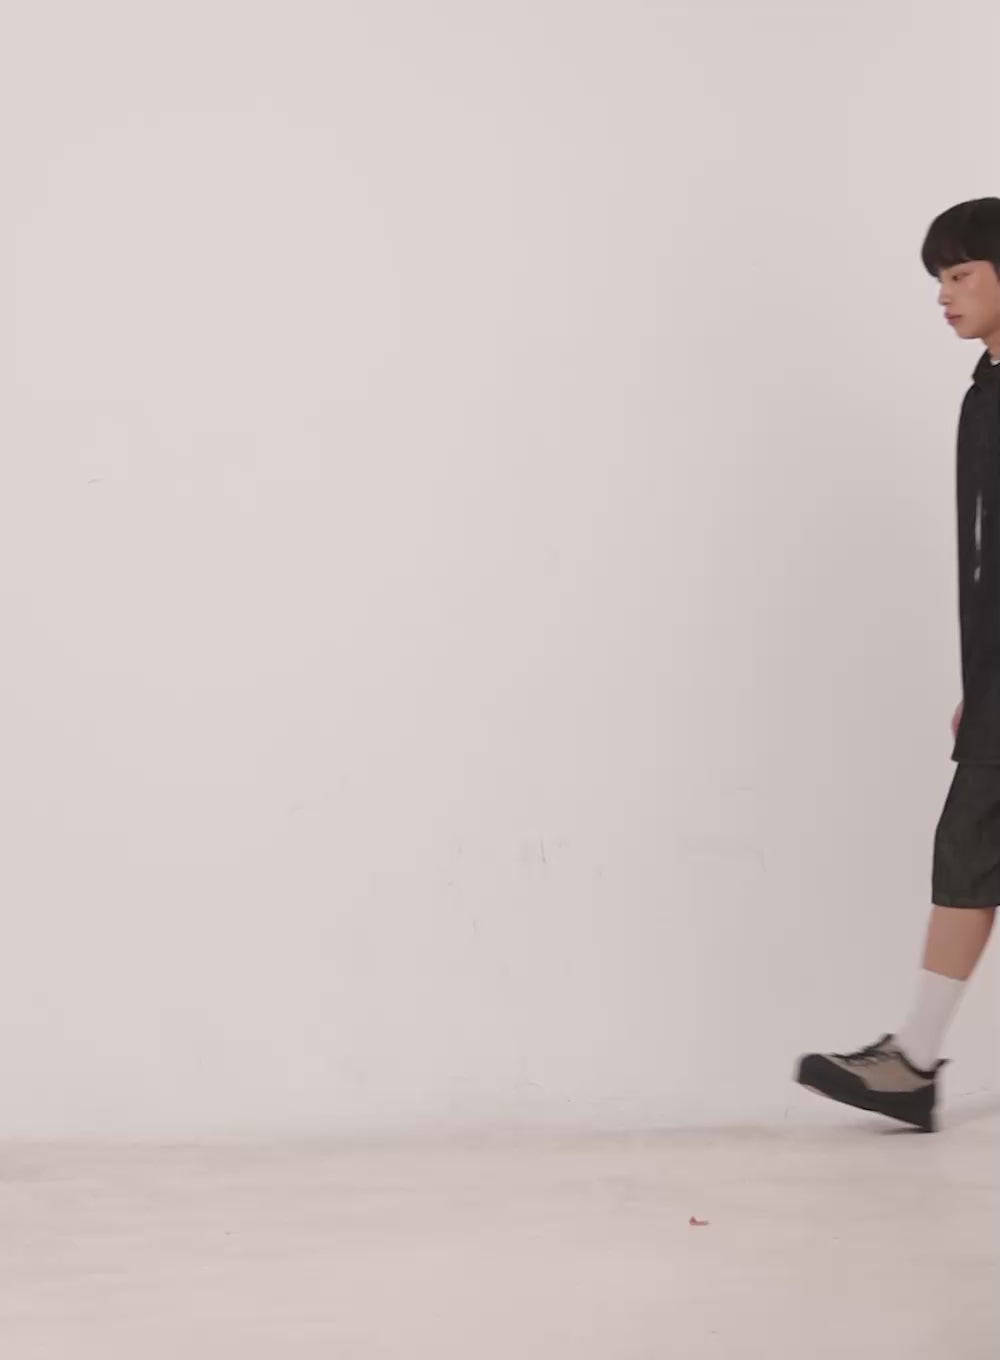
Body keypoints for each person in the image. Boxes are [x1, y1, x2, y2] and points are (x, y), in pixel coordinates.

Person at [796, 198, 1000, 1133]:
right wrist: (981, 680)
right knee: (970, 847)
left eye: (961, 274)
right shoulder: (985, 388)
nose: (944, 295)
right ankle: (912, 1061)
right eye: (938, 281)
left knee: (971, 842)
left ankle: (913, 1063)